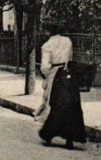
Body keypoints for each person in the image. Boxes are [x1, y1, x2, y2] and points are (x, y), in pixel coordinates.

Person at [33, 22, 87, 150]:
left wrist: (45, 74)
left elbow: (45, 66)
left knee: (54, 105)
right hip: (68, 74)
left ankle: (49, 133)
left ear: (48, 32)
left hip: (55, 75)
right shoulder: (67, 41)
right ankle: (70, 138)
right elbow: (70, 57)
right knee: (71, 106)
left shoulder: (47, 45)